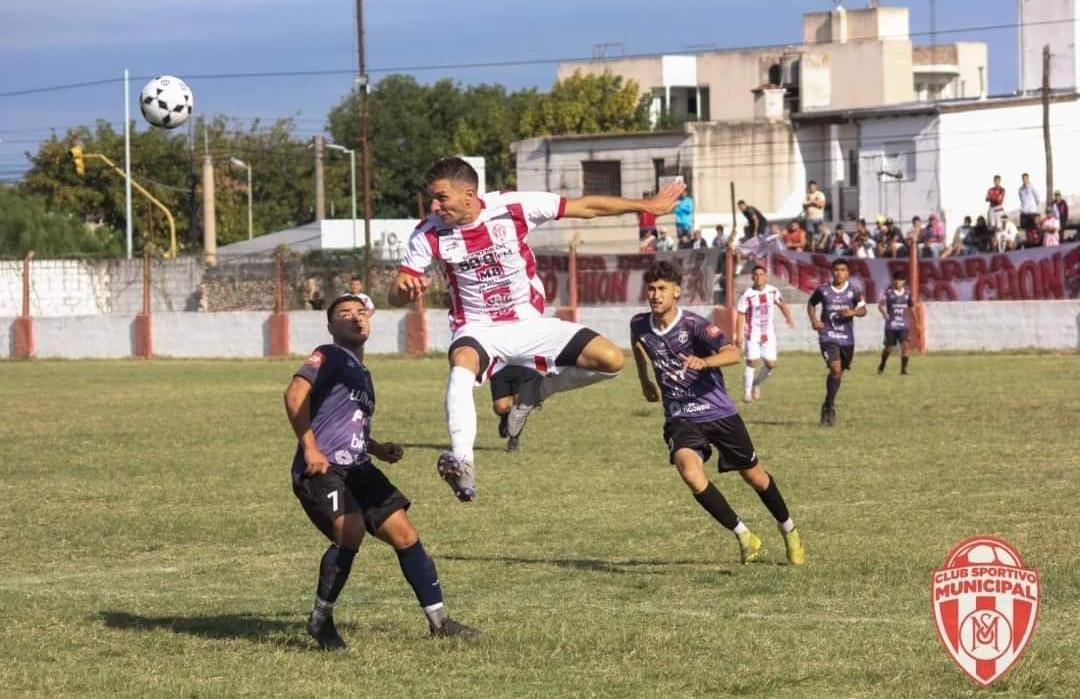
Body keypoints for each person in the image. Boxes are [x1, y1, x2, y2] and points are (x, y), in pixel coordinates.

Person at [388, 157, 683, 502]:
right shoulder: (428, 233)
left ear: (469, 194)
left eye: (441, 198)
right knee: (461, 367)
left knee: (611, 360)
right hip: (477, 327)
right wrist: (403, 291)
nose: (435, 207)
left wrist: (647, 206)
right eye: (432, 199)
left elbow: (585, 207)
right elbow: (397, 291)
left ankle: (538, 391)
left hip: (529, 322)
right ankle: (463, 463)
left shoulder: (513, 206)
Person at [284, 293, 479, 649]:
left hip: (359, 467)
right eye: (345, 314)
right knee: (350, 527)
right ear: (330, 327)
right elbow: (295, 393)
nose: (356, 318)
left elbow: (347, 421)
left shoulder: (362, 373)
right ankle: (320, 620)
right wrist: (310, 448)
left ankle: (440, 622)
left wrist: (377, 448)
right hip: (323, 467)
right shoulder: (327, 355)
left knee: (405, 535)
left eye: (361, 313)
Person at [630, 261, 805, 565]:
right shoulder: (640, 324)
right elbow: (638, 344)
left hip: (718, 412)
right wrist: (644, 378)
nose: (655, 295)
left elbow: (733, 353)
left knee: (755, 477)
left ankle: (788, 529)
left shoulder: (694, 326)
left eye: (662, 289)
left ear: (676, 292)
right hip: (681, 416)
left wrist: (705, 362)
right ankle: (744, 535)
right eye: (651, 289)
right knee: (689, 470)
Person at [807, 259, 866, 427]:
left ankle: (827, 402)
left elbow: (863, 310)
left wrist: (853, 312)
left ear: (848, 273)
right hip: (828, 336)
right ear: (832, 272)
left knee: (838, 374)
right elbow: (811, 303)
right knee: (835, 368)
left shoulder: (854, 291)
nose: (839, 273)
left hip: (847, 339)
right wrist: (814, 320)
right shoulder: (823, 290)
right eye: (836, 269)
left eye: (843, 269)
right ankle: (831, 408)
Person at [735, 265, 795, 403]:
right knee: (752, 361)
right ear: (752, 277)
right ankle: (747, 393)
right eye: (756, 274)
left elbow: (782, 304)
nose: (759, 277)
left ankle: (756, 383)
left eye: (761, 274)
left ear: (766, 276)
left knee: (771, 364)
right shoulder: (747, 294)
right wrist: (739, 335)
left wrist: (788, 318)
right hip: (752, 333)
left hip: (768, 333)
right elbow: (741, 314)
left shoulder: (773, 291)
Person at [489, 363, 541, 452]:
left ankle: (514, 438)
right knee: (500, 407)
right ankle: (505, 417)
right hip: (501, 367)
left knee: (521, 403)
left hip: (524, 366)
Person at [877, 272, 913, 376]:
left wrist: (916, 322)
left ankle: (903, 369)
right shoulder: (888, 293)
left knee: (905, 345)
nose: (897, 282)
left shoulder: (907, 293)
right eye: (896, 279)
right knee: (889, 348)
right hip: (891, 326)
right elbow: (880, 305)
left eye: (900, 280)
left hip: (903, 325)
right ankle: (883, 363)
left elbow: (912, 307)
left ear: (904, 282)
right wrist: (884, 314)